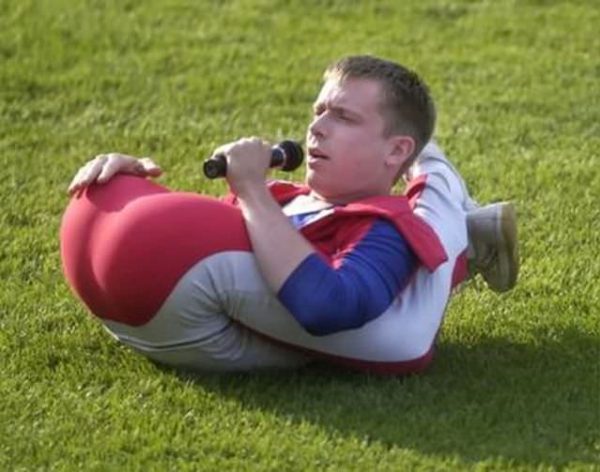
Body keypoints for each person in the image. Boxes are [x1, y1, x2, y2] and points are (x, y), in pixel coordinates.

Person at [61, 55, 518, 375]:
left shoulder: (385, 226)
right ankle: (470, 235)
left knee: (434, 198)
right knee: (114, 190)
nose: (317, 127)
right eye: (318, 111)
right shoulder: (287, 198)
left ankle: (454, 214)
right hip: (159, 313)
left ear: (395, 149)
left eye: (343, 116)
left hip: (184, 314)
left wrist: (251, 190)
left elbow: (330, 306)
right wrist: (131, 181)